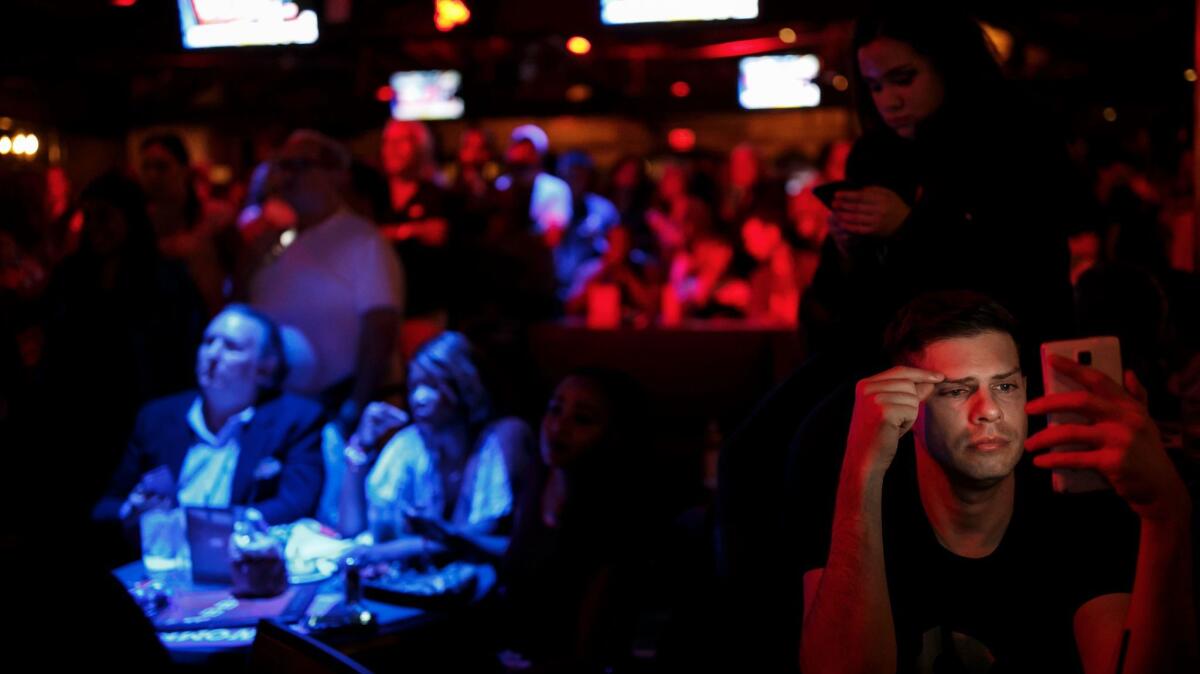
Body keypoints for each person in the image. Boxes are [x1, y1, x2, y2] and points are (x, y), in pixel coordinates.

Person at [797, 291, 1197, 673]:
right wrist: (863, 472)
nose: (988, 410)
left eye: (1004, 386)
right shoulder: (860, 505)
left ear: (1024, 388)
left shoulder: (1073, 506)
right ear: (909, 410)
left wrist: (1166, 513)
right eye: (956, 390)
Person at [800, 7, 1079, 360]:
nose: (889, 100)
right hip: (897, 367)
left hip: (1004, 364)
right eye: (875, 86)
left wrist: (907, 228)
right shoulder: (875, 156)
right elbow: (848, 309)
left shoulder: (1013, 140)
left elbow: (1024, 275)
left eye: (903, 79)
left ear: (948, 64)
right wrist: (847, 252)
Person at [93, 305, 325, 544]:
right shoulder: (157, 417)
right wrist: (131, 510)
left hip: (238, 559)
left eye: (231, 346)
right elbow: (106, 506)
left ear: (265, 368)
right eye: (208, 341)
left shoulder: (295, 418)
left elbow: (296, 503)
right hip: (159, 559)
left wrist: (218, 526)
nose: (212, 354)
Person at [496, 369, 654, 673]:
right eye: (555, 409)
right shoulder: (540, 476)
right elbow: (522, 553)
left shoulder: (614, 520)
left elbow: (588, 654)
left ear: (615, 435)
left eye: (582, 419)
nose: (559, 426)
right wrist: (448, 535)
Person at [249, 130, 404, 434]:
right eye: (283, 166)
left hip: (334, 410)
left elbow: (381, 328)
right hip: (276, 412)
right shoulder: (272, 243)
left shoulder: (363, 240)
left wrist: (356, 405)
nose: (288, 177)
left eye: (301, 165)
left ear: (337, 175)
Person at [337, 332, 533, 562]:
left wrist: (387, 552)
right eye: (413, 386)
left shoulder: (501, 438)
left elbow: (481, 536)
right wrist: (360, 447)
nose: (418, 397)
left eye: (431, 386)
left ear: (464, 385)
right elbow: (353, 529)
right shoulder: (409, 445)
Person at [376, 119, 452, 319]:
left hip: (424, 310)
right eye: (388, 142)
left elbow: (438, 234)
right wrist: (414, 231)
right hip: (380, 308)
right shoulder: (372, 196)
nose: (393, 149)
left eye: (402, 141)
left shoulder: (436, 195)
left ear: (421, 147)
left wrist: (395, 233)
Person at [552, 150, 620, 299]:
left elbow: (617, 250)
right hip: (552, 287)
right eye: (570, 175)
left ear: (590, 177)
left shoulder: (603, 209)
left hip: (591, 290)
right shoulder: (548, 207)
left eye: (580, 175)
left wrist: (594, 274)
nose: (574, 181)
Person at [495, 124, 572, 246]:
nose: (521, 156)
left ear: (540, 157)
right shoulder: (501, 186)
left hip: (539, 262)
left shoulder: (556, 189)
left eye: (529, 152)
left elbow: (552, 237)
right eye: (517, 149)